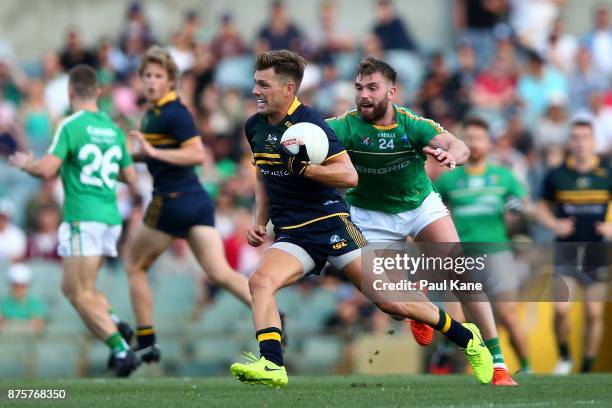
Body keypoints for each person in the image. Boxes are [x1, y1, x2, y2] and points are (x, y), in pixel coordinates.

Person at [229, 49, 492, 388]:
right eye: (255, 84)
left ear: (288, 89)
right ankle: (273, 364)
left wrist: (309, 170)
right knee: (260, 281)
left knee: (391, 301)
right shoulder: (255, 127)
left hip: (330, 224)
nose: (255, 91)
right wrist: (259, 220)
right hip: (293, 234)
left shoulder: (312, 125)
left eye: (263, 85)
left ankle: (467, 338)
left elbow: (349, 176)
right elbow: (263, 175)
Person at [326, 57, 517, 386]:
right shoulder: (343, 126)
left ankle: (497, 362)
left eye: (373, 88)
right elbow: (308, 136)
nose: (364, 95)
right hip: (371, 217)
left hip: (419, 206)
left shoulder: (411, 124)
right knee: (395, 308)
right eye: (359, 87)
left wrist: (451, 156)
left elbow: (458, 145)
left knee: (462, 275)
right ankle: (422, 302)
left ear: (392, 91)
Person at [8, 64, 139, 377]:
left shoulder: (71, 125)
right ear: (97, 92)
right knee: (73, 287)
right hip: (109, 217)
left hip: (83, 216)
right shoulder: (111, 128)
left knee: (79, 294)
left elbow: (46, 169)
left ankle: (121, 349)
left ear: (69, 93)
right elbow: (131, 177)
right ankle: (116, 323)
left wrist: (27, 164)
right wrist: (106, 172)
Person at [125, 46, 252, 365]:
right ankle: (272, 314)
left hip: (172, 201)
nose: (152, 81)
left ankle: (146, 341)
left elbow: (196, 154)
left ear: (171, 81)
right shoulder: (153, 113)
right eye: (147, 76)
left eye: (158, 76)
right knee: (220, 273)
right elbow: (153, 155)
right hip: (196, 201)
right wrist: (127, 160)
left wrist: (152, 155)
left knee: (134, 265)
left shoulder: (175, 112)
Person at [435, 117, 532, 373]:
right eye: (468, 138)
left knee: (509, 317)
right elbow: (432, 211)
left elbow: (525, 206)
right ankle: (455, 366)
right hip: (461, 254)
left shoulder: (503, 176)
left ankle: (527, 367)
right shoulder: (449, 179)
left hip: (498, 252)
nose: (473, 143)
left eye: (478, 138)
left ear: (488, 143)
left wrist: (518, 208)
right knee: (456, 319)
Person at [537, 119, 612, 374]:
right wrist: (554, 224)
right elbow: (542, 207)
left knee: (593, 313)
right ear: (570, 142)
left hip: (597, 252)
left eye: (585, 137)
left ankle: (587, 368)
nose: (580, 143)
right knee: (560, 310)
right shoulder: (557, 174)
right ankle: (565, 355)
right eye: (576, 138)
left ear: (593, 142)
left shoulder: (607, 173)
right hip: (566, 251)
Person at [0, 263, 47, 334]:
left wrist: (9, 324)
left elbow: (37, 325)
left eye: (22, 285)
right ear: (10, 285)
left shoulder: (35, 303)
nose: (19, 289)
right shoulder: (2, 303)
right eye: (16, 285)